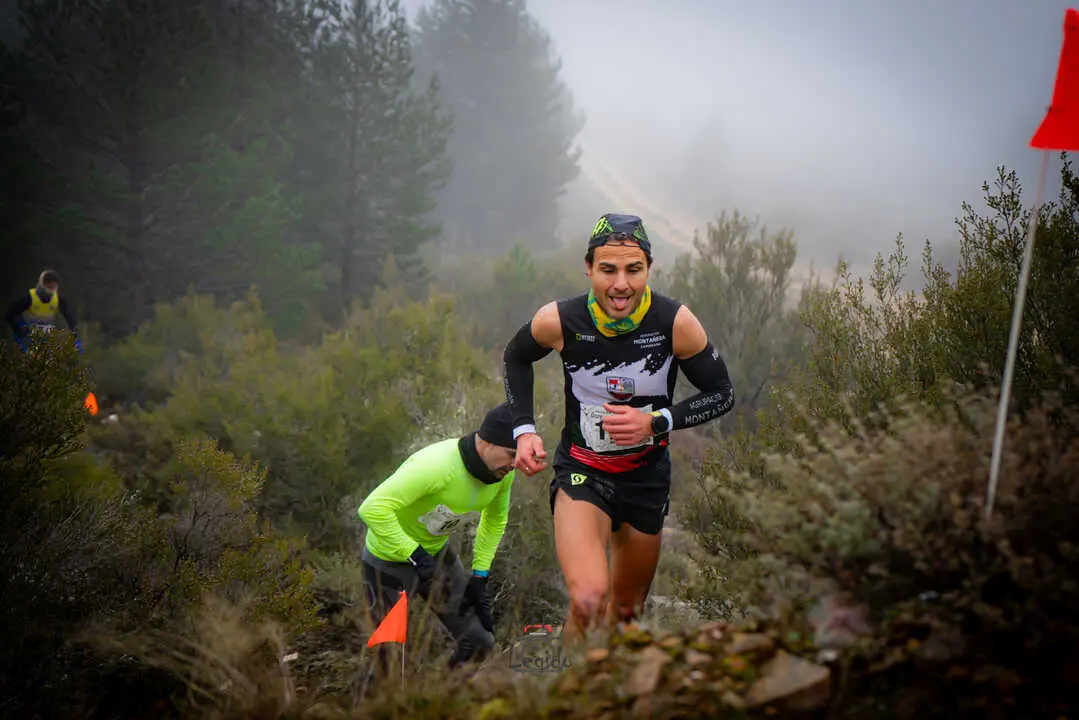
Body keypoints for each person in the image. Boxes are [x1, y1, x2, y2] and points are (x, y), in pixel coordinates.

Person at [501, 212, 735, 642]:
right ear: (589, 268)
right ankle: (561, 689)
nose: (621, 284)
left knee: (625, 616)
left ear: (649, 268)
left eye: (634, 270)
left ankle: (600, 693)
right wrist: (524, 430)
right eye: (607, 270)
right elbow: (515, 357)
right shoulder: (561, 320)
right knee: (589, 599)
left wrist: (657, 422)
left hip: (645, 480)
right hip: (582, 473)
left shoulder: (674, 323)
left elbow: (722, 393)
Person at [357, 402, 518, 678]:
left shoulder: (501, 473)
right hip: (388, 565)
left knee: (479, 642)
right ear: (486, 442)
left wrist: (480, 575)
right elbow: (372, 508)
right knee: (388, 661)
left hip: (436, 557)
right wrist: (414, 554)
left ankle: (439, 701)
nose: (515, 463)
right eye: (511, 454)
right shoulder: (436, 466)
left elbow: (495, 519)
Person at [6, 269, 81, 353]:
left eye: (54, 284)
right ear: (43, 284)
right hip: (30, 338)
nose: (52, 287)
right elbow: (10, 314)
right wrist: (20, 332)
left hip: (48, 339)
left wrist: (75, 337)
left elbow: (69, 318)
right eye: (49, 284)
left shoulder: (58, 300)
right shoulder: (30, 298)